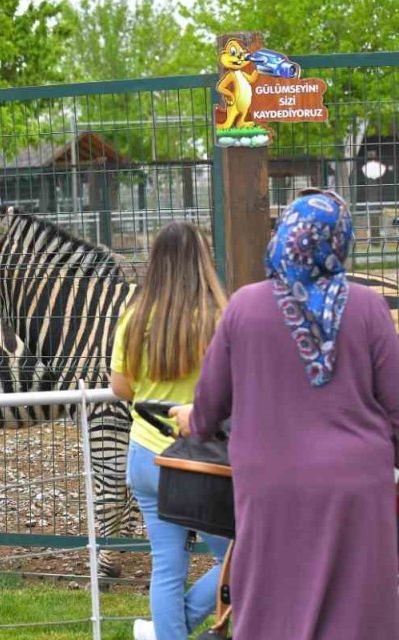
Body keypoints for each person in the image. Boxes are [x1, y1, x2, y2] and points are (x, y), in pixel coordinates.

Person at [173, 189, 399, 640]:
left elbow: (211, 404)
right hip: (357, 490)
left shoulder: (244, 306)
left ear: (285, 237)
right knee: (358, 608)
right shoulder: (370, 308)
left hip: (270, 487)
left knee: (272, 601)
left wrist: (192, 420)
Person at [109, 221, 230, 640]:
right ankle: (170, 631)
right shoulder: (219, 317)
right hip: (205, 460)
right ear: (203, 261)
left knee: (166, 565)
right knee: (243, 559)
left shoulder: (134, 317)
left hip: (146, 455)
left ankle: (165, 633)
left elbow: (121, 387)